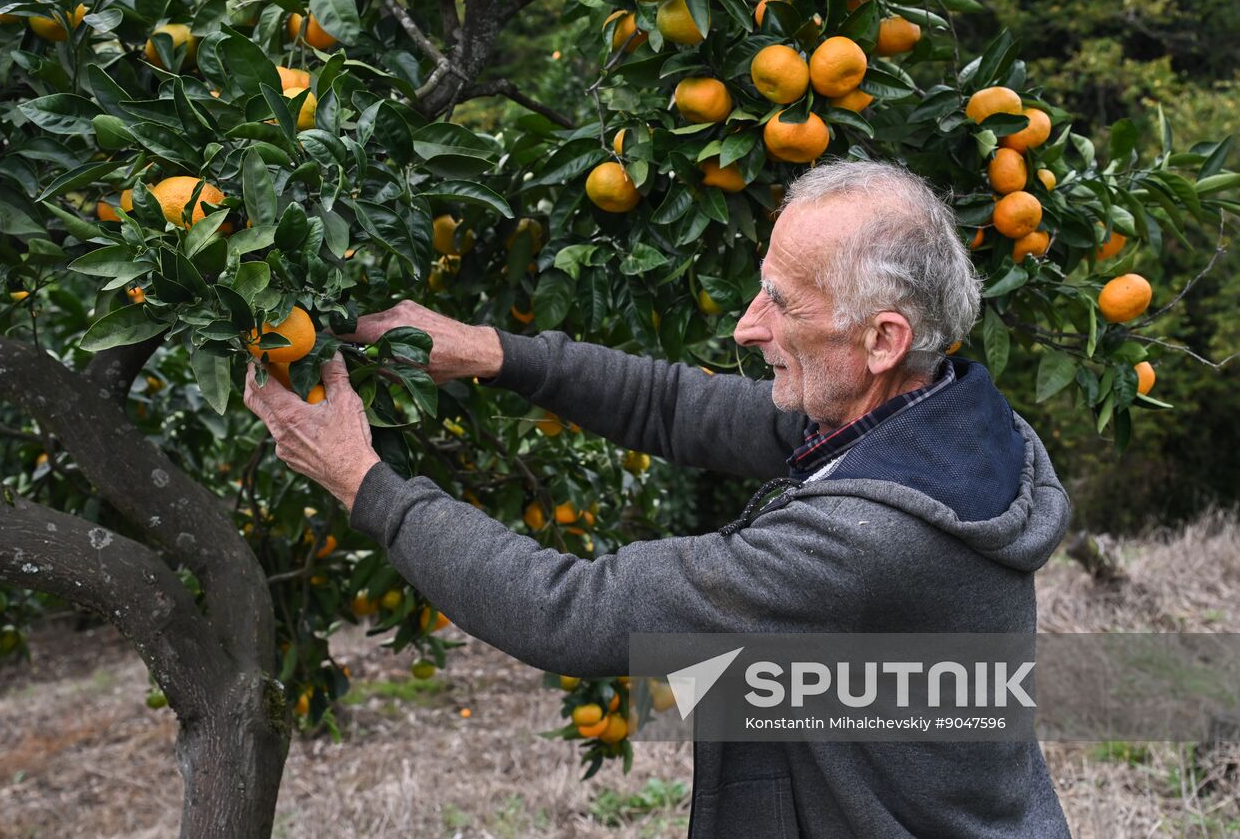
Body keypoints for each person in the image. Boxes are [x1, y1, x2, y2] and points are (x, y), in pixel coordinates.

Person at [243, 159, 1073, 838]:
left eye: (781, 304)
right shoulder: (936, 417)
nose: (749, 327)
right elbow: (679, 408)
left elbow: (568, 611)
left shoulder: (868, 535)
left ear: (881, 339)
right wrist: (493, 352)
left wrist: (363, 480)